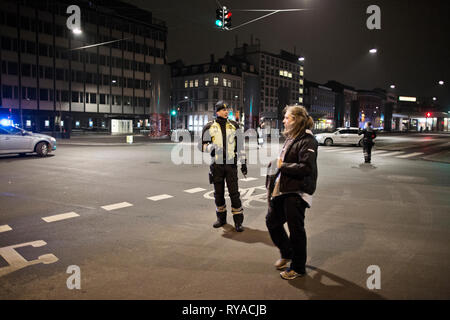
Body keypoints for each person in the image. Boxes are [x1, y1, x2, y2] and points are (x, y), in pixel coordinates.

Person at [265, 105, 318, 280]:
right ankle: (287, 253)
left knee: (296, 230)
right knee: (272, 221)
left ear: (296, 120)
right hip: (284, 188)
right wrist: (276, 164)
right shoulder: (291, 138)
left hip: (297, 190)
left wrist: (282, 165)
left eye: (287, 117)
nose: (284, 120)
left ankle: (298, 267)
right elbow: (285, 160)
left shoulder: (308, 140)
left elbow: (306, 167)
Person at [200, 101, 247, 232]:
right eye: (223, 110)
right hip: (217, 166)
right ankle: (221, 219)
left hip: (231, 165)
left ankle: (238, 222)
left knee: (234, 194)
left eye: (227, 110)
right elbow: (202, 145)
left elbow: (241, 146)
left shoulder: (234, 125)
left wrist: (244, 162)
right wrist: (211, 148)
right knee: (218, 194)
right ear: (217, 111)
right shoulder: (209, 126)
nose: (226, 112)